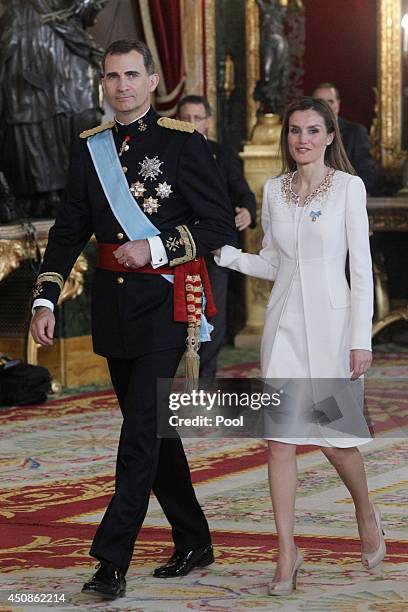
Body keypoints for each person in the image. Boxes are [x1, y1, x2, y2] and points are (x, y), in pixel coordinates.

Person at [30, 39, 237, 600]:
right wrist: (45, 297)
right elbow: (70, 227)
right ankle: (194, 538)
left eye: (131, 75)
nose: (121, 85)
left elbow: (219, 225)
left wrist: (158, 249)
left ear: (152, 81)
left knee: (138, 437)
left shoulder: (183, 144)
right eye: (112, 76)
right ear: (104, 85)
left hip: (166, 308)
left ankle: (110, 561)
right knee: (155, 432)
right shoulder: (90, 149)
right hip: (115, 312)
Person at [213, 97, 386, 595]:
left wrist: (360, 340)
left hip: (334, 336)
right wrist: (229, 257)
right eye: (294, 131)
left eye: (313, 130)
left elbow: (359, 270)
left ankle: (364, 509)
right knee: (280, 442)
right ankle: (286, 551)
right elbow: (273, 263)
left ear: (330, 135)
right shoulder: (274, 190)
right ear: (286, 137)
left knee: (337, 441)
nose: (302, 139)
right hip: (284, 331)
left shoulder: (349, 189)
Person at [0, 0, 108, 218]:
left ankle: (71, 192)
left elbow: (88, 7)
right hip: (22, 31)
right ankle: (38, 194)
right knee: (27, 114)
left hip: (65, 35)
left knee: (79, 110)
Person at [177, 95, 257, 381]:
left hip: (215, 250)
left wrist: (247, 211)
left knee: (214, 317)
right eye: (185, 118)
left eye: (197, 118)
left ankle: (205, 380)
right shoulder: (165, 155)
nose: (191, 124)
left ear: (208, 122)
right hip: (176, 249)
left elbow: (242, 191)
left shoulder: (223, 155)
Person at [312, 82, 378, 195]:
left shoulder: (356, 132)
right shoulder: (305, 135)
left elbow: (367, 174)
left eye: (330, 101)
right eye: (321, 103)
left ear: (338, 103)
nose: (326, 107)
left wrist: (344, 193)